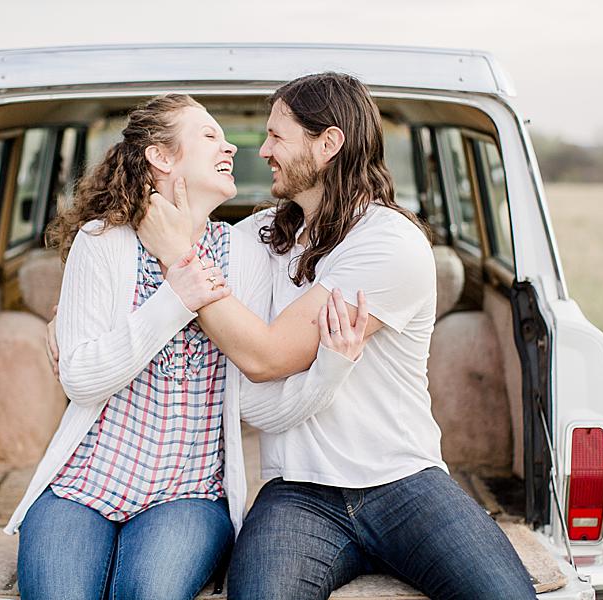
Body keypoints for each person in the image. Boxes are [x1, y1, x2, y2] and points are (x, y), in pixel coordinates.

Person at [132, 73, 537, 599]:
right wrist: (72, 317)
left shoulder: (390, 243)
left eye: (278, 136)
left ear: (328, 144)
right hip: (296, 493)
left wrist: (177, 258)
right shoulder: (259, 235)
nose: (264, 150)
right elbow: (150, 257)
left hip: (404, 481)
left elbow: (268, 355)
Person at [4, 94, 367, 600]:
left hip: (189, 493)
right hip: (82, 483)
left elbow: (263, 393)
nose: (233, 148)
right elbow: (81, 378)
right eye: (210, 136)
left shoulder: (252, 251)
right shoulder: (102, 242)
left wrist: (329, 370)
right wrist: (175, 298)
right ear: (162, 156)